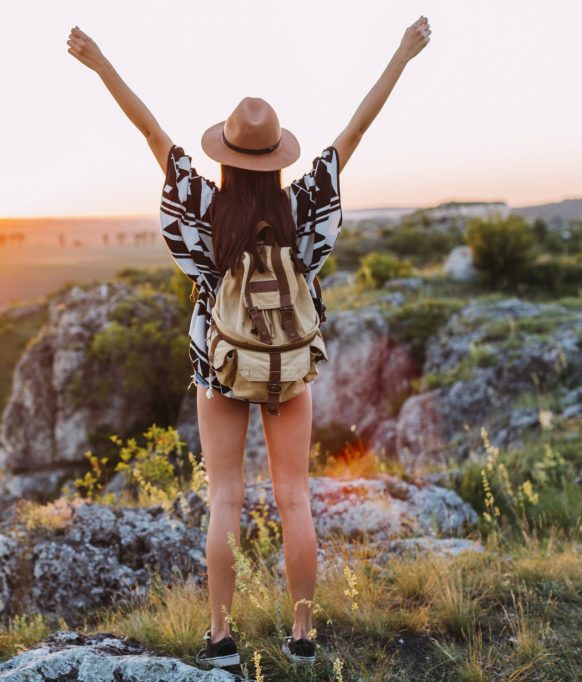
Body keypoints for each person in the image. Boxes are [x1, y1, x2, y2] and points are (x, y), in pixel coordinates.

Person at [67, 16, 431, 667]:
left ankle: (222, 636)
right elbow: (356, 129)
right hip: (291, 368)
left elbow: (150, 131)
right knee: (295, 499)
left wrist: (98, 63)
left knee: (226, 499)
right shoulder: (310, 201)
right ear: (279, 157)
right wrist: (403, 54)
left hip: (221, 368)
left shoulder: (201, 203)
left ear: (225, 155)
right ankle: (301, 636)